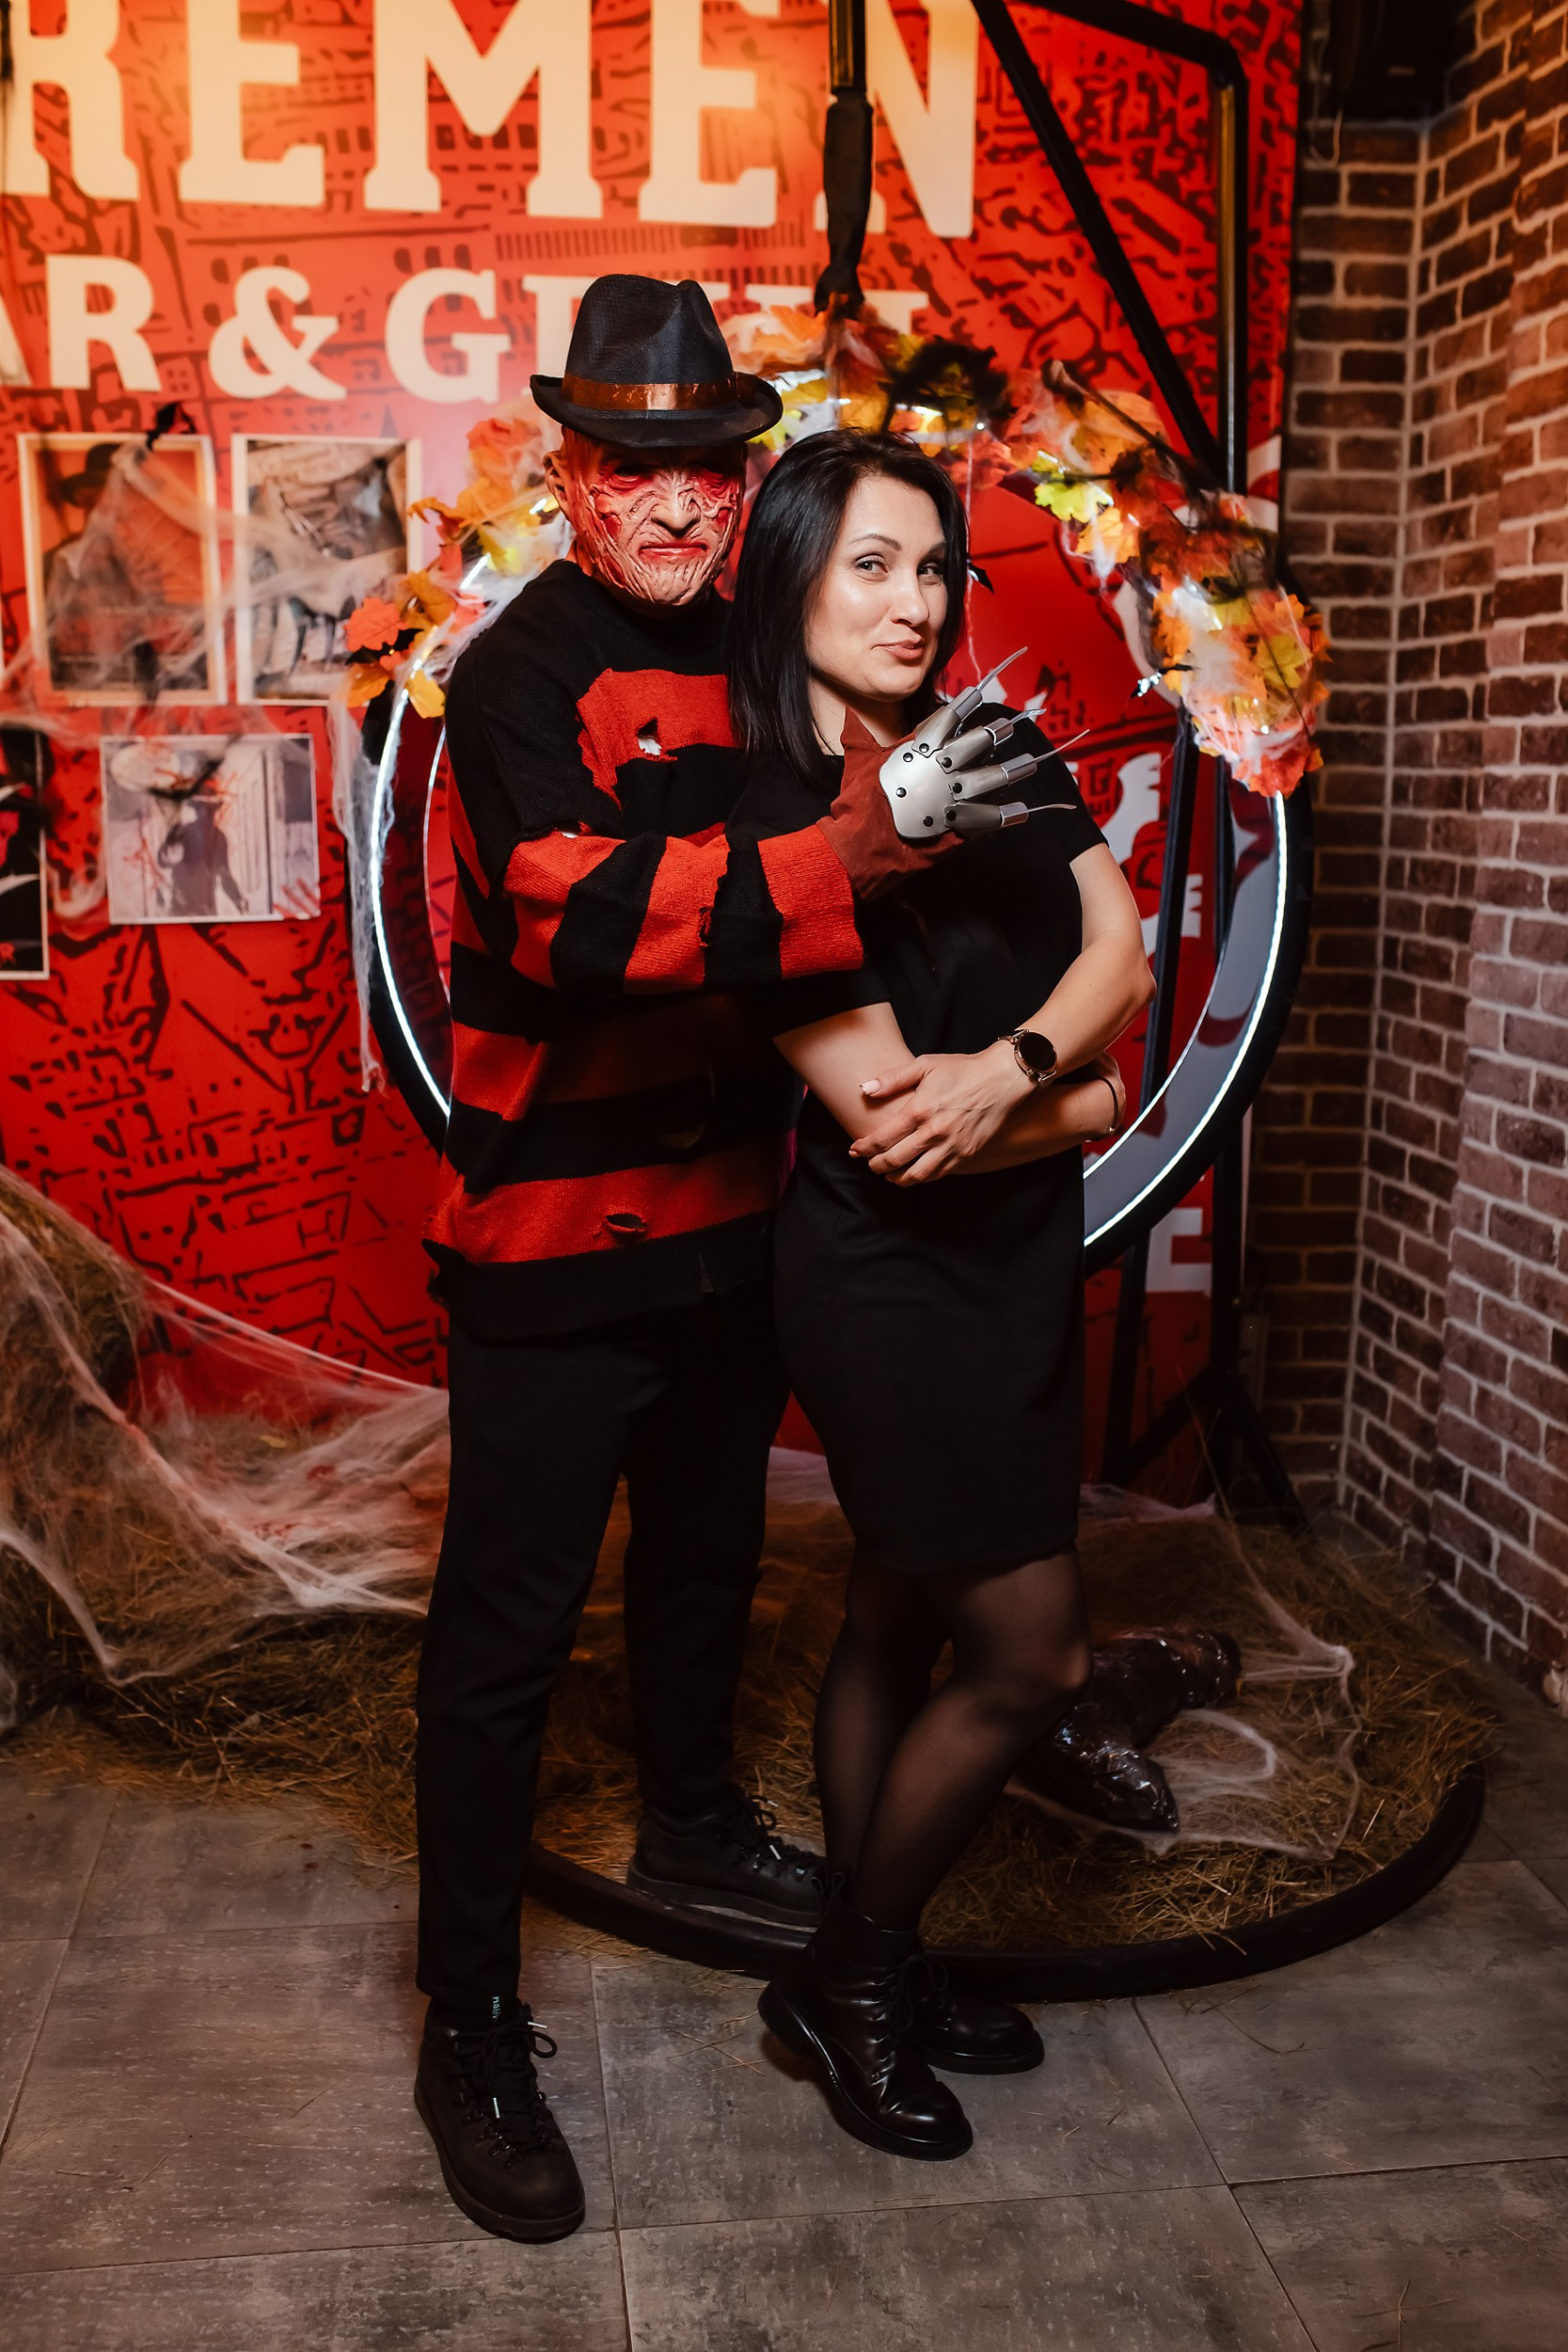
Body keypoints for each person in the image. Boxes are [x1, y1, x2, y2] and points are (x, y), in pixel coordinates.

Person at [412, 279, 970, 2245]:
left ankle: (697, 1822)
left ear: (744, 484)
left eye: (706, 468)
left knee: (710, 1569)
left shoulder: (767, 656)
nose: (669, 501)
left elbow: (846, 875)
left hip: (737, 1228)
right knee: (502, 1642)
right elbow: (579, 923)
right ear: (567, 473)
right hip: (551, 1246)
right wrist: (846, 861)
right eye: (628, 464)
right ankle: (466, 2018)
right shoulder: (511, 676)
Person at [727, 430, 1154, 2162]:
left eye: (933, 568)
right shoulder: (764, 812)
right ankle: (853, 1976)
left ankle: (869, 1968)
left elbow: (1120, 947)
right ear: (792, 580)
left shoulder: (994, 744)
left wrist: (1025, 1068)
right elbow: (891, 1127)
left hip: (1015, 1257)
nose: (915, 603)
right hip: (887, 1280)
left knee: (896, 1617)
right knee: (1033, 1650)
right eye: (872, 566)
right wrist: (1083, 1099)